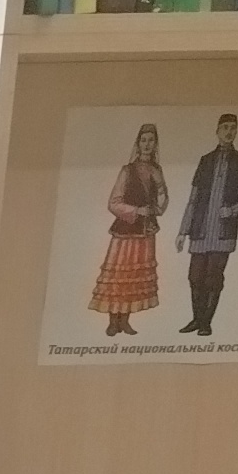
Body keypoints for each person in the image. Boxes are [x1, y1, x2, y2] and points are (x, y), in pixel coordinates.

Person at [178, 111, 238, 335]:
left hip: (223, 232)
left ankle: (206, 323)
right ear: (217, 131)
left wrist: (232, 210)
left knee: (213, 278)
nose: (229, 132)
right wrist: (183, 231)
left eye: (233, 128)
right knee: (195, 276)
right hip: (200, 229)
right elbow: (193, 198)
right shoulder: (206, 160)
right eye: (225, 128)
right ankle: (196, 319)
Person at [94, 121, 166, 337]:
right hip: (125, 232)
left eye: (151, 141)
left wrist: (158, 201)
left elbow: (162, 201)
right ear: (138, 143)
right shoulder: (127, 171)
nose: (147, 144)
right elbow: (113, 203)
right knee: (119, 277)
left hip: (145, 233)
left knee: (134, 279)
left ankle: (125, 321)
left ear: (155, 144)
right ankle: (112, 321)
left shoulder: (157, 170)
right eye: (143, 140)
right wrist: (137, 211)